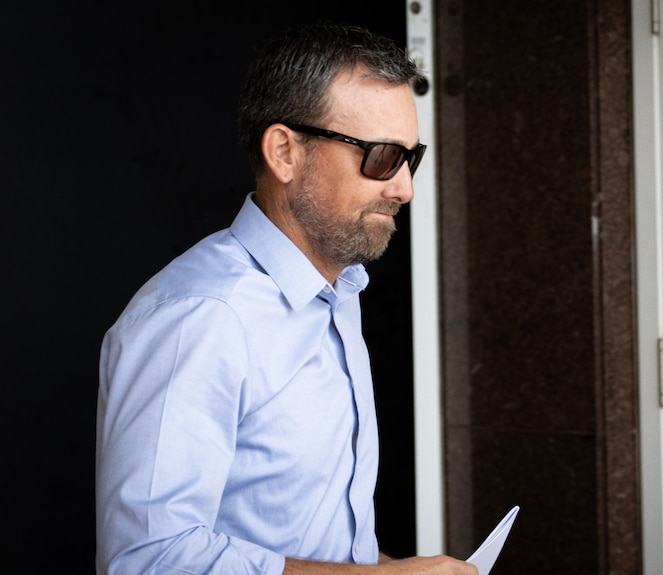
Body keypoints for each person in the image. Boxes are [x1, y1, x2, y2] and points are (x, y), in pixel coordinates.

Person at [95, 22, 477, 575]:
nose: (403, 189)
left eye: (410, 159)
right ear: (284, 152)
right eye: (380, 157)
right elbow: (148, 560)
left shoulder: (339, 294)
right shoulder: (202, 316)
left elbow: (311, 544)